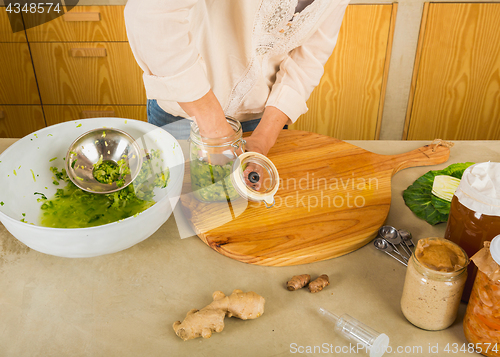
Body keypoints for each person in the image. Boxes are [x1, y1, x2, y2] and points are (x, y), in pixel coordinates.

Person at [124, 0, 349, 156]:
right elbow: (149, 15)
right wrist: (212, 123)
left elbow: (309, 58)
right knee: (177, 210)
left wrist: (264, 139)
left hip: (263, 118)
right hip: (183, 113)